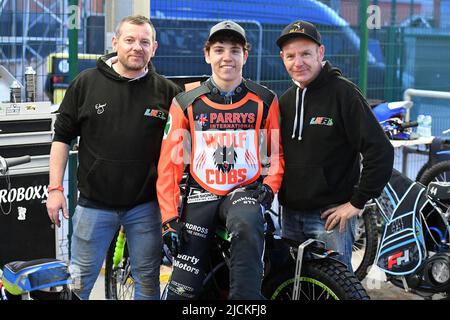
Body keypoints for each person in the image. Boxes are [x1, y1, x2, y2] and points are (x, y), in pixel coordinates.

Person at [46, 15, 181, 300]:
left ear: (154, 48)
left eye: (144, 42)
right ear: (115, 42)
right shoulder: (86, 83)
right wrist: (55, 189)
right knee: (79, 282)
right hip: (94, 205)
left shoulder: (168, 92)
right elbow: (61, 138)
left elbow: (182, 145)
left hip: (145, 208)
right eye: (130, 40)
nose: (137, 47)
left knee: (147, 282)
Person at [157, 20, 284, 300]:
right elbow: (169, 165)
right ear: (207, 55)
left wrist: (269, 187)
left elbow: (275, 156)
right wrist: (168, 219)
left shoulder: (265, 100)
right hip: (200, 197)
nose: (227, 57)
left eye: (235, 50)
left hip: (243, 193)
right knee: (181, 292)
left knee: (247, 223)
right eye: (219, 49)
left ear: (245, 56)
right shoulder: (186, 102)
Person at [276, 20, 394, 271]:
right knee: (293, 286)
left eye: (306, 53)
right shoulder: (285, 101)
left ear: (321, 53)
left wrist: (357, 203)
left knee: (337, 288)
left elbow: (380, 150)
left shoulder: (344, 94)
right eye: (291, 56)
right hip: (289, 215)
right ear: (282, 59)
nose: (298, 62)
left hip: (330, 218)